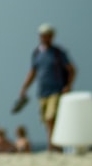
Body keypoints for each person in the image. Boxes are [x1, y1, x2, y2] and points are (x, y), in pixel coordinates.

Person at [18, 23, 76, 152]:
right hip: (42, 92)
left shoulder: (58, 53)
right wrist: (24, 87)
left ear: (52, 37)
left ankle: (52, 146)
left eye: (48, 36)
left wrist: (68, 86)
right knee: (46, 121)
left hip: (56, 90)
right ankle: (56, 146)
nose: (45, 38)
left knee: (51, 118)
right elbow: (33, 72)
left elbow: (72, 69)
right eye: (43, 35)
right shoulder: (37, 53)